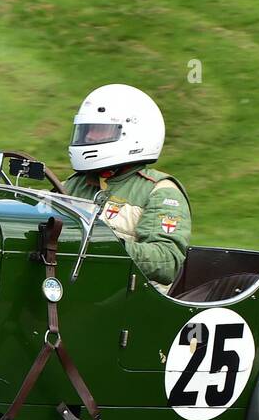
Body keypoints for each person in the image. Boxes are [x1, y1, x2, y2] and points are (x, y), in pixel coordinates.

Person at [64, 84, 191, 286]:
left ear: (133, 134)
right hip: (74, 290)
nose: (88, 137)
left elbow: (167, 262)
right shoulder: (75, 184)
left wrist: (107, 245)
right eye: (86, 130)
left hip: (128, 300)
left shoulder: (160, 191)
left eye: (98, 131)